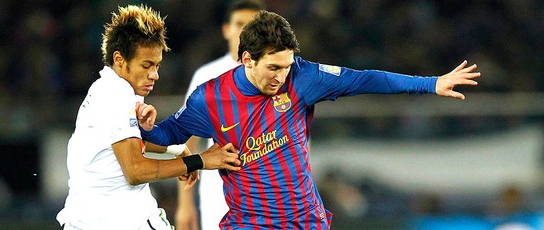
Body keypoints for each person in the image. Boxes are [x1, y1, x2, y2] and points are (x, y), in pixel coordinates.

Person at [138, 10, 480, 229]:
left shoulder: (303, 77)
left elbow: (365, 79)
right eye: (273, 67)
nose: (281, 77)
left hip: (305, 220)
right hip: (250, 223)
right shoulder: (210, 97)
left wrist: (431, 83)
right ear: (246, 59)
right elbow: (166, 135)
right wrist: (144, 123)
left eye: (286, 66)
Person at [56, 5, 241, 229]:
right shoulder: (115, 97)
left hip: (88, 220)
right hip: (118, 221)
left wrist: (175, 149)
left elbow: (124, 147)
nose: (154, 74)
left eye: (156, 65)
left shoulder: (111, 89)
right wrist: (200, 161)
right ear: (119, 59)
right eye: (146, 65)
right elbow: (135, 171)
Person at [175, 1, 265, 230]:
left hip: (270, 195)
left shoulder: (279, 73)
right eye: (239, 23)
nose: (245, 31)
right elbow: (188, 142)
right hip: (220, 196)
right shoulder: (207, 76)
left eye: (253, 24)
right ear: (226, 29)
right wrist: (185, 205)